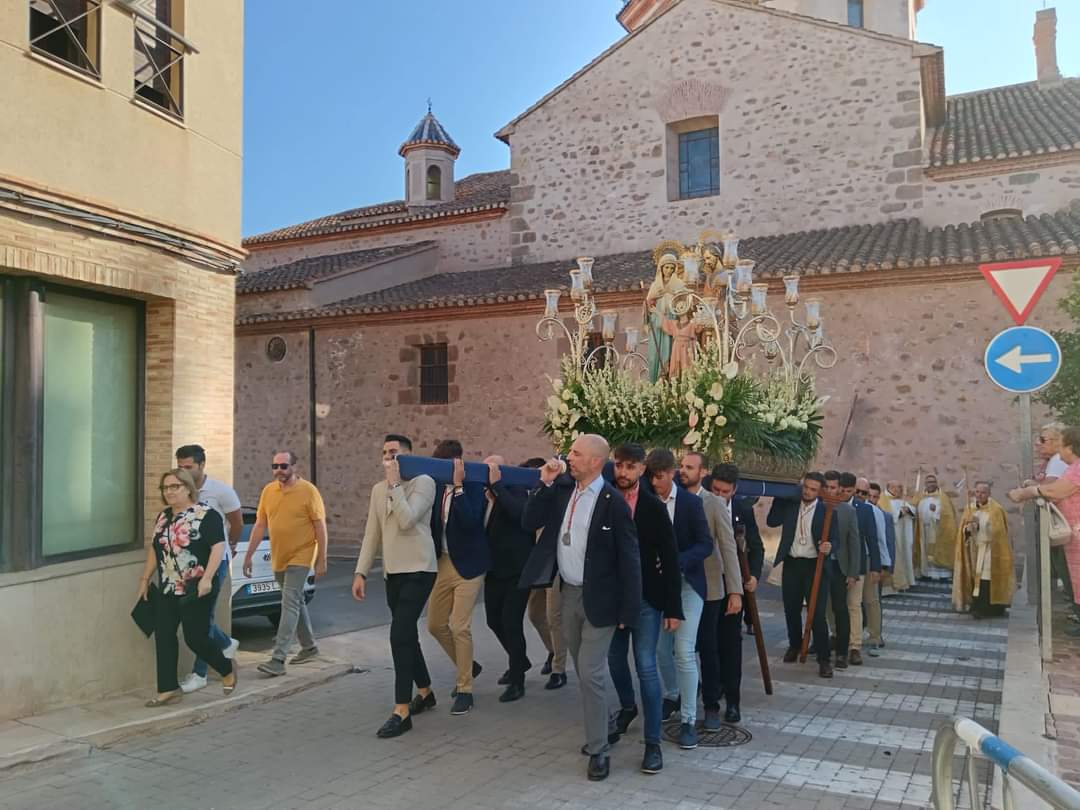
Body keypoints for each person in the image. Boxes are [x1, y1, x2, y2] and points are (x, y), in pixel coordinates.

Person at [520, 434, 641, 782]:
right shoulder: (561, 491)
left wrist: (628, 612)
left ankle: (599, 748)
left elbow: (630, 560)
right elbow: (530, 521)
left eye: (576, 453)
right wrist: (544, 483)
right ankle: (600, 729)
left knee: (590, 672)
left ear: (594, 461)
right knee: (583, 670)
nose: (567, 457)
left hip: (601, 601)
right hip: (567, 593)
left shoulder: (613, 502)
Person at [353, 434, 439, 738]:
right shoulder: (378, 490)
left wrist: (394, 485)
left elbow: (406, 520)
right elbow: (371, 533)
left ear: (408, 456)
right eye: (385, 453)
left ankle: (401, 710)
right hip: (394, 572)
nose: (388, 458)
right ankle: (426, 691)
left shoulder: (424, 482)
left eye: (394, 453)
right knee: (406, 635)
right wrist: (361, 572)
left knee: (399, 634)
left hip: (419, 568)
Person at [607, 443, 683, 775]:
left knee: (646, 666)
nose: (622, 473)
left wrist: (673, 608)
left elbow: (668, 557)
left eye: (629, 467)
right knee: (613, 660)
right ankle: (626, 708)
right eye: (618, 466)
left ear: (642, 470)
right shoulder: (604, 499)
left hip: (646, 601)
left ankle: (653, 743)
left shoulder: (652, 508)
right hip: (611, 599)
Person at [137, 469, 236, 706]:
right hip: (168, 588)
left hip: (195, 588)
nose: (169, 492)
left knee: (195, 638)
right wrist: (144, 579)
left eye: (175, 487)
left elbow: (218, 547)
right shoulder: (163, 517)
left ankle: (226, 668)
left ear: (188, 488)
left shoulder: (206, 515)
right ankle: (168, 688)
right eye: (165, 488)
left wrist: (207, 579)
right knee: (164, 635)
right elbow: (155, 548)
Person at [646, 448, 714, 750]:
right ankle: (672, 694)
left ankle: (688, 719)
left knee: (684, 651)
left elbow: (705, 544)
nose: (654, 482)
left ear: (671, 473)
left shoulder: (690, 504)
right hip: (656, 589)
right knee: (661, 649)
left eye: (659, 476)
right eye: (651, 476)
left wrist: (676, 560)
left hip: (687, 586)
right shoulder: (644, 501)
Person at [242, 451, 328, 678]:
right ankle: (309, 648)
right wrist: (248, 555)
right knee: (296, 601)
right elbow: (260, 524)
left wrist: (322, 560)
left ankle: (278, 658)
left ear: (294, 467)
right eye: (275, 466)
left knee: (288, 602)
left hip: (302, 555)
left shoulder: (308, 491)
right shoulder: (268, 491)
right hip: (279, 556)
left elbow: (320, 527)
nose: (278, 470)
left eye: (283, 465)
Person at [679, 453, 743, 730]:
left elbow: (728, 547)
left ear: (701, 471)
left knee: (709, 647)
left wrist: (735, 591)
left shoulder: (714, 503)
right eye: (680, 466)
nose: (682, 471)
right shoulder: (672, 498)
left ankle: (712, 705)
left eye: (688, 467)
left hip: (710, 586)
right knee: (677, 648)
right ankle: (678, 699)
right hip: (676, 584)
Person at [427, 439, 490, 715]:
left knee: (458, 626)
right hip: (443, 562)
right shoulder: (435, 488)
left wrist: (459, 486)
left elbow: (470, 521)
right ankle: (470, 665)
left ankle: (465, 688)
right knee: (435, 624)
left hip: (470, 565)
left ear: (458, 462)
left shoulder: (473, 487)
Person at [174, 444, 243, 694]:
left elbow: (236, 522)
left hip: (215, 562)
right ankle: (226, 643)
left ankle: (200, 673)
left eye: (188, 467)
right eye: (180, 467)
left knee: (202, 619)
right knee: (194, 617)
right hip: (185, 564)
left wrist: (230, 546)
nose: (183, 471)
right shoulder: (179, 491)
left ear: (202, 465)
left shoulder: (220, 492)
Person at [1010, 426, 1080, 636]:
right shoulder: (1073, 468)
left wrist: (1028, 491)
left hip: (1076, 534)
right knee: (1072, 579)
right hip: (1073, 536)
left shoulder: (1076, 469)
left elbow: (1055, 490)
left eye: (1062, 445)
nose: (1060, 451)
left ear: (1070, 447)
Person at [766, 472, 835, 678]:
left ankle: (824, 659)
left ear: (820, 491)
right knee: (791, 608)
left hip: (816, 566)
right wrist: (780, 496)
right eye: (806, 487)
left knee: (817, 614)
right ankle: (794, 645)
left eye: (813, 489)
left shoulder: (827, 510)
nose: (808, 492)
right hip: (792, 563)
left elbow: (835, 539)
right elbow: (771, 522)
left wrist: (829, 546)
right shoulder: (791, 504)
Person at [710, 463, 765, 718]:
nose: (720, 496)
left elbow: (756, 546)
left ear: (734, 490)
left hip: (733, 585)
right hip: (709, 585)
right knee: (709, 643)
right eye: (716, 490)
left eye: (725, 492)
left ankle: (733, 701)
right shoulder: (702, 505)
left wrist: (753, 575)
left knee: (731, 643)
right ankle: (713, 688)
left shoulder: (742, 510)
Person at [483, 455, 536, 703]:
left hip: (518, 569)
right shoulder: (486, 495)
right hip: (494, 569)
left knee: (511, 622)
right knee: (493, 620)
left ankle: (517, 680)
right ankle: (520, 661)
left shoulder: (516, 489)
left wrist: (498, 487)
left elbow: (520, 515)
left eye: (492, 468)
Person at [954, 482, 1015, 617]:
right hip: (974, 549)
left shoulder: (996, 510)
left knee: (986, 577)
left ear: (989, 494)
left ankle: (989, 608)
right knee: (973, 577)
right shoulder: (970, 508)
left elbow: (998, 532)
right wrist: (968, 530)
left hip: (990, 550)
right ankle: (975, 604)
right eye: (977, 492)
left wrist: (980, 526)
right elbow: (962, 531)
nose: (979, 495)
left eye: (983, 492)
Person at [820, 471, 862, 670]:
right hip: (819, 565)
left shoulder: (848, 511)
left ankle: (843, 653)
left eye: (833, 487)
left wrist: (853, 573)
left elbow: (854, 543)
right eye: (826, 487)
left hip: (839, 567)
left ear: (839, 489)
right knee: (821, 608)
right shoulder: (816, 507)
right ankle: (820, 648)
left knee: (841, 608)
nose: (830, 490)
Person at [842, 472, 882, 660]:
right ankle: (836, 635)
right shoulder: (833, 505)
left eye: (862, 492)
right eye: (855, 491)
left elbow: (873, 540)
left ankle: (855, 645)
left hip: (859, 562)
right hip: (837, 562)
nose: (858, 495)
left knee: (856, 603)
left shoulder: (867, 511)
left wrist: (876, 567)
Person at [1033, 423, 1073, 603]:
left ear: (1058, 442)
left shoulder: (1057, 461)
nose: (1037, 443)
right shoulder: (1054, 461)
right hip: (1064, 524)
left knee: (1067, 570)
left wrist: (1029, 489)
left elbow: (1049, 490)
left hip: (1065, 525)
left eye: (1042, 440)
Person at [914, 473, 958, 581]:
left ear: (936, 484)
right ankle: (926, 572)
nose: (931, 484)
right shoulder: (920, 497)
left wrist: (936, 512)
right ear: (925, 484)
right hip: (924, 529)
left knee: (936, 550)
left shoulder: (943, 498)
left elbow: (948, 515)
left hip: (938, 530)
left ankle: (942, 574)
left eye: (933, 482)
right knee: (925, 550)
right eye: (929, 482)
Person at [885, 481, 917, 592]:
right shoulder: (885, 500)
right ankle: (897, 582)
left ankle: (907, 579)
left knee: (906, 554)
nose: (899, 490)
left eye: (900, 487)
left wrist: (908, 510)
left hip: (903, 535)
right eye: (897, 487)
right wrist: (899, 513)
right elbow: (887, 514)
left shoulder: (900, 500)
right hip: (894, 534)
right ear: (890, 487)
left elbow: (913, 510)